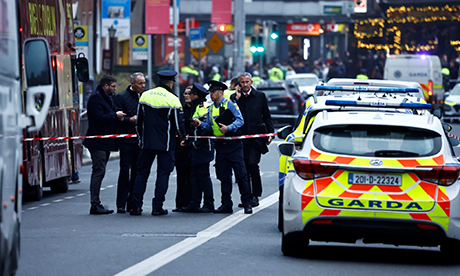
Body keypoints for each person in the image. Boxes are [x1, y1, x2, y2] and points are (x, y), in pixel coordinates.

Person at [130, 70, 186, 216]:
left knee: (141, 173)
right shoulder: (173, 99)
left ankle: (136, 206)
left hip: (147, 143)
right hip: (166, 144)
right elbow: (178, 125)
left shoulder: (145, 96)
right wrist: (182, 138)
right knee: (163, 174)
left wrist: (140, 139)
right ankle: (157, 207)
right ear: (171, 82)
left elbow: (139, 122)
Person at [193, 80, 253, 214]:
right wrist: (200, 125)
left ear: (220, 92)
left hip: (233, 144)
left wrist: (229, 128)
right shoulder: (210, 109)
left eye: (213, 92)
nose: (211, 94)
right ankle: (226, 204)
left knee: (241, 175)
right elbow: (209, 126)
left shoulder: (229, 104)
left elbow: (240, 120)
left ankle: (247, 203)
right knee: (224, 176)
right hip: (220, 146)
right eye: (210, 92)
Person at [83, 75, 126, 215]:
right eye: (113, 86)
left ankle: (96, 203)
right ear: (106, 86)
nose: (114, 89)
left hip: (105, 141)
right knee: (98, 171)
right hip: (98, 141)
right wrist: (115, 115)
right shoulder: (96, 98)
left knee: (100, 171)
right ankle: (94, 204)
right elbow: (99, 117)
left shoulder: (106, 97)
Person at [234, 72, 274, 207]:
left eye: (247, 82)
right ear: (239, 84)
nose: (245, 85)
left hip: (256, 138)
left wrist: (270, 133)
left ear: (251, 82)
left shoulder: (260, 96)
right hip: (241, 138)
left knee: (252, 165)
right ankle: (246, 196)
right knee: (243, 168)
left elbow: (267, 116)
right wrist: (236, 98)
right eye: (242, 82)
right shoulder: (236, 98)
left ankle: (255, 195)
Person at [113, 72, 145, 213]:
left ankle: (133, 202)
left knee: (137, 172)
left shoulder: (145, 97)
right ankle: (121, 203)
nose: (143, 86)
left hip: (140, 140)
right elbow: (117, 117)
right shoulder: (121, 97)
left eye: (144, 83)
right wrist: (129, 120)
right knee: (125, 171)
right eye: (140, 83)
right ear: (132, 83)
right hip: (126, 140)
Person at [181, 83, 215, 213]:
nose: (189, 95)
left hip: (204, 146)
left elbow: (207, 127)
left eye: (191, 93)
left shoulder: (204, 107)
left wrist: (198, 142)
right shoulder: (195, 107)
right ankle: (194, 203)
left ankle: (209, 203)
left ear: (196, 95)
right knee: (194, 176)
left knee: (203, 175)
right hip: (194, 145)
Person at [172, 85, 193, 212]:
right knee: (181, 174)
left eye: (188, 93)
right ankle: (180, 203)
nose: (186, 96)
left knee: (191, 176)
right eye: (184, 94)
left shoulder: (197, 109)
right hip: (180, 146)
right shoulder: (181, 109)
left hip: (191, 145)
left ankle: (191, 201)